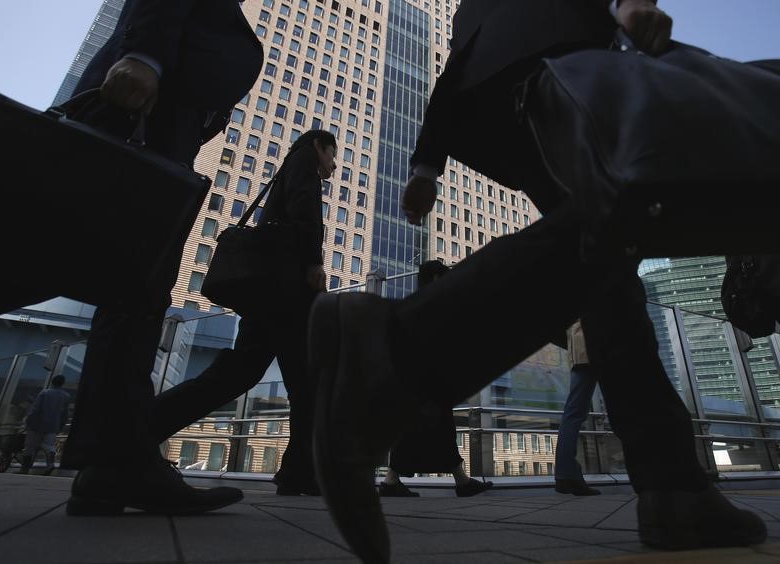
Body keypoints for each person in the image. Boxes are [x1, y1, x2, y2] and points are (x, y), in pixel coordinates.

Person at [307, 1, 767, 562]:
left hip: (504, 101)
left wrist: (427, 165)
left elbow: (460, 58)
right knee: (627, 228)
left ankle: (672, 486)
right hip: (565, 68)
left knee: (608, 262)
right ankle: (394, 349)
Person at [48, 0, 265, 515]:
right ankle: (121, 462)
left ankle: (111, 462)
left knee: (135, 287)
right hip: (152, 103)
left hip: (168, 106)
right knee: (138, 285)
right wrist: (145, 54)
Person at [148, 129, 336, 496]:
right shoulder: (303, 164)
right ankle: (144, 425)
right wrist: (314, 262)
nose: (332, 164)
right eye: (332, 155)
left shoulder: (288, 169)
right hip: (289, 293)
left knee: (262, 377)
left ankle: (146, 424)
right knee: (290, 379)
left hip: (272, 292)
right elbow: (303, 214)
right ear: (318, 146)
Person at [379, 261, 493, 498]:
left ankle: (393, 480)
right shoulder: (432, 305)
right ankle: (461, 481)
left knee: (421, 428)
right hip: (428, 381)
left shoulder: (417, 304)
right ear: (435, 280)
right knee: (438, 427)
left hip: (417, 382)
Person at [554, 321, 600, 496]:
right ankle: (567, 474)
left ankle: (567, 474)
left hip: (580, 352)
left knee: (573, 414)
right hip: (600, 344)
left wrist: (571, 341)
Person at [18, 375, 70, 475]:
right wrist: (60, 426)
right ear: (62, 384)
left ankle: (24, 469)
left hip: (37, 424)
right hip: (53, 426)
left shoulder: (44, 393)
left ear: (52, 382)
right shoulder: (66, 396)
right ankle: (50, 464)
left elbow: (35, 409)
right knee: (49, 446)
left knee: (30, 446)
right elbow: (65, 414)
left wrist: (28, 421)